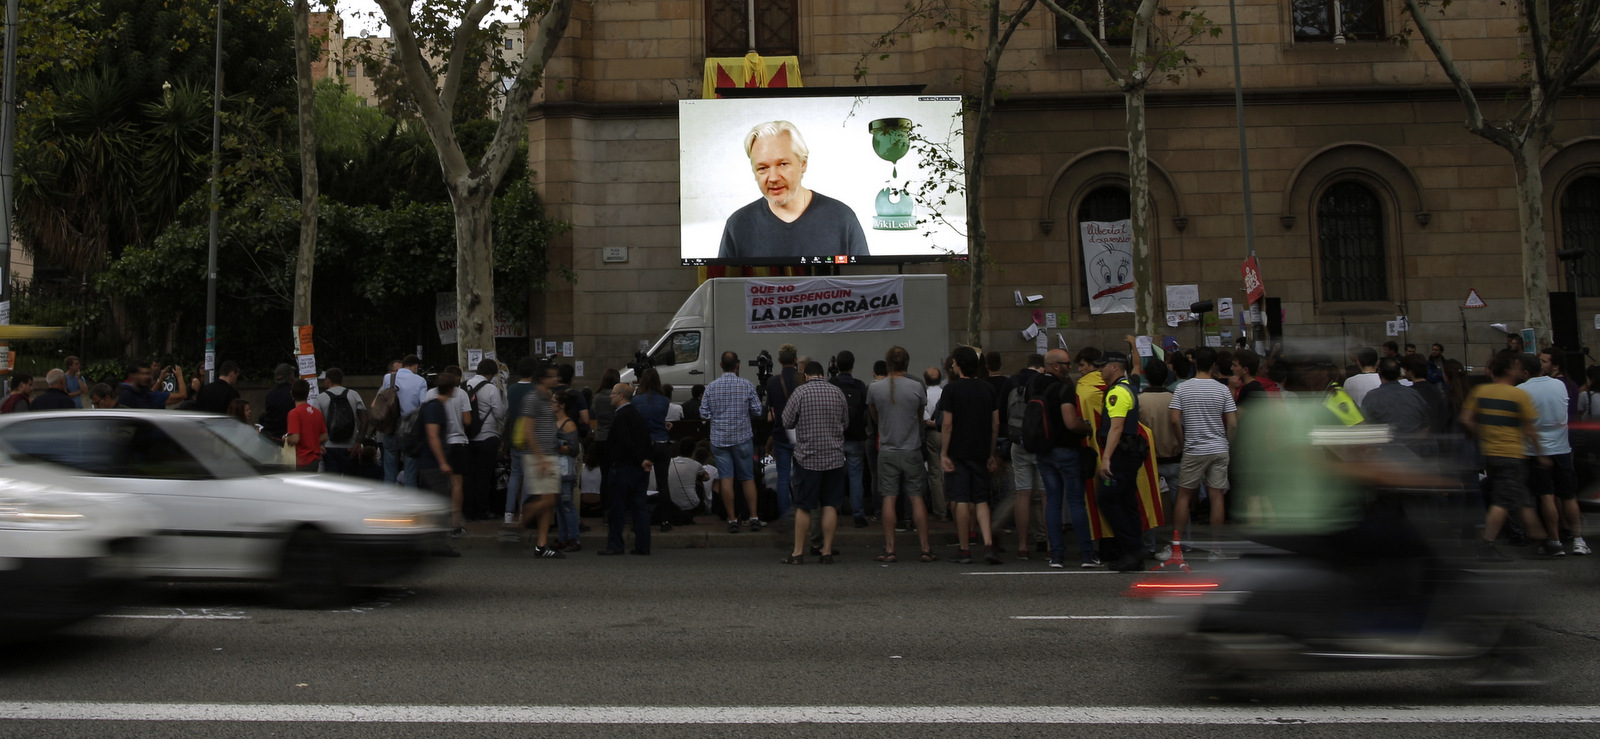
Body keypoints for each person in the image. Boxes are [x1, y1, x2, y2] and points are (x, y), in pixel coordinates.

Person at [717, 120, 869, 260]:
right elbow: (724, 287)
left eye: (782, 164)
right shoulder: (738, 225)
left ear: (803, 164)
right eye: (762, 168)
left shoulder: (842, 218)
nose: (773, 178)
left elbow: (867, 283)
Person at [1460, 352, 1552, 561]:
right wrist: (1541, 454)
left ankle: (1543, 540)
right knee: (1503, 500)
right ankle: (1487, 543)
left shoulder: (1481, 391)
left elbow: (1466, 419)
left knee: (1521, 498)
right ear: (1509, 370)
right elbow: (1530, 429)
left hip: (1491, 454)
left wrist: (1482, 433)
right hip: (1512, 454)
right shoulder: (1518, 395)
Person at [1168, 346, 1237, 556]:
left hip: (1194, 448)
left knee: (1183, 497)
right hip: (1218, 448)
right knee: (1217, 496)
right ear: (1214, 365)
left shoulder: (1182, 389)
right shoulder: (1222, 389)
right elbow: (1233, 423)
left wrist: (1182, 441)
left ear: (1194, 363)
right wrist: (1227, 443)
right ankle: (1216, 549)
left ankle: (1177, 548)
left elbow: (1174, 419)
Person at [868, 346, 935, 562]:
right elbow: (918, 417)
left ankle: (889, 549)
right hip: (912, 449)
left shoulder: (875, 388)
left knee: (888, 497)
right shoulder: (917, 387)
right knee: (917, 498)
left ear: (887, 364)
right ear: (906, 363)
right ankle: (925, 548)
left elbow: (875, 417)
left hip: (887, 449)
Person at [1519, 354, 1588, 557]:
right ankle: (1578, 540)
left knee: (1546, 496)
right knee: (1568, 496)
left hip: (1536, 451)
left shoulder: (1521, 390)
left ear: (1525, 372)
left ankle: (1555, 540)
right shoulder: (1560, 385)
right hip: (1562, 447)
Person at [781, 361, 849, 564]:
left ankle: (798, 553)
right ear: (822, 374)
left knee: (803, 506)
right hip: (834, 457)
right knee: (830, 504)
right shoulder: (837, 392)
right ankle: (826, 551)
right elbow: (845, 423)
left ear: (806, 374)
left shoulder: (800, 393)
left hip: (808, 458)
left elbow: (786, 421)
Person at [941, 346, 1003, 565]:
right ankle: (988, 544)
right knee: (981, 499)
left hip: (958, 449)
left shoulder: (951, 390)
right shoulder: (987, 389)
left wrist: (944, 452)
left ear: (959, 365)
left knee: (960, 498)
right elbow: (995, 423)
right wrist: (991, 452)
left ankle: (965, 548)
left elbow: (947, 424)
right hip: (981, 449)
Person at [1035, 349, 1094, 568]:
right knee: (1076, 501)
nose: (1071, 367)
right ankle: (1087, 554)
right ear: (1056, 366)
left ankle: (1056, 555)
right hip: (1066, 450)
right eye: (1067, 364)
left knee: (1053, 502)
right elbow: (1071, 423)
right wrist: (1086, 427)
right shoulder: (1064, 389)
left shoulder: (1034, 385)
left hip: (1043, 449)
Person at [1095, 352, 1150, 572]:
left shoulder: (1117, 392)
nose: (1099, 371)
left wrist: (1106, 458)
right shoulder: (1129, 385)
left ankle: (1131, 550)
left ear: (1115, 367)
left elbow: (1116, 427)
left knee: (1107, 499)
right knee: (1127, 502)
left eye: (1102, 366)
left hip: (1120, 456)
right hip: (1129, 454)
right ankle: (1134, 552)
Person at [701, 351, 764, 533]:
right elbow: (758, 410)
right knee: (747, 478)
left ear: (721, 365)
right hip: (742, 437)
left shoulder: (711, 387)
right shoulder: (746, 385)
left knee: (726, 478)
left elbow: (704, 413)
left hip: (720, 439)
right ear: (737, 365)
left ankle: (732, 519)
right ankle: (754, 517)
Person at [1000, 353, 1047, 559]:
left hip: (1018, 443)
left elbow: (1002, 414)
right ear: (1042, 367)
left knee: (1023, 495)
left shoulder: (1012, 382)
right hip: (1042, 444)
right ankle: (1050, 546)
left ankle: (1022, 547)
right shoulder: (1044, 382)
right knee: (1046, 496)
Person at [517, 362, 566, 558]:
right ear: (543, 378)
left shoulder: (547, 398)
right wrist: (540, 458)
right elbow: (528, 430)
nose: (556, 379)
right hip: (538, 455)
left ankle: (542, 544)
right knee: (549, 498)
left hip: (549, 453)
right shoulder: (533, 398)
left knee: (549, 499)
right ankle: (522, 520)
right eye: (552, 376)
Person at [600, 383, 655, 556]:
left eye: (613, 393)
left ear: (621, 396)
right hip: (638, 469)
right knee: (639, 507)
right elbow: (645, 439)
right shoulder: (636, 415)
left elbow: (624, 441)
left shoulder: (621, 417)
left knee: (617, 508)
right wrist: (645, 460)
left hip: (623, 467)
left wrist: (638, 459)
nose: (610, 396)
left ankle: (616, 544)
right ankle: (643, 544)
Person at [413, 373, 461, 557]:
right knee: (440, 503)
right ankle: (435, 544)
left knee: (433, 503)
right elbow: (433, 436)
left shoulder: (434, 406)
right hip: (431, 463)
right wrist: (442, 462)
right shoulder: (435, 408)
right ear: (450, 389)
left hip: (428, 462)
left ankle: (429, 543)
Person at [829, 350, 871, 528]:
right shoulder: (860, 385)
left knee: (835, 475)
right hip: (856, 435)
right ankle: (858, 514)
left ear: (837, 365)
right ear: (852, 365)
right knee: (856, 475)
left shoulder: (831, 384)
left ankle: (834, 511)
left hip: (835, 436)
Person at [463, 359, 507, 521]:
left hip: (467, 438)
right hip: (487, 437)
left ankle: (468, 510)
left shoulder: (464, 386)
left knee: (469, 475)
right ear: (492, 373)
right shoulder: (491, 389)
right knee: (483, 476)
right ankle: (482, 510)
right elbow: (500, 414)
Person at [378, 355, 428, 487]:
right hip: (410, 430)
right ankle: (409, 505)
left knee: (389, 470)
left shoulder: (388, 378)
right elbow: (423, 405)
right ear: (415, 366)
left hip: (390, 427)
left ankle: (389, 501)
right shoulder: (420, 381)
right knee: (410, 472)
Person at [766, 344, 801, 519]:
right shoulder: (802, 379)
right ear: (795, 359)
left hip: (780, 433)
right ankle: (803, 511)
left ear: (779, 360)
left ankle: (785, 513)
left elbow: (771, 409)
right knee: (802, 475)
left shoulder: (772, 382)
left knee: (783, 476)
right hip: (801, 435)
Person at [307, 368, 364, 475]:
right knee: (351, 483)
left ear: (328, 380)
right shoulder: (354, 395)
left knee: (333, 483)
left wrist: (318, 444)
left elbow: (314, 423)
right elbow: (365, 419)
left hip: (329, 447)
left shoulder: (320, 398)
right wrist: (358, 442)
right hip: (350, 447)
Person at [632, 368, 674, 510]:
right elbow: (659, 417)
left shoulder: (636, 400)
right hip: (662, 442)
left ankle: (640, 517)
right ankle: (665, 519)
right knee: (663, 482)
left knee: (642, 482)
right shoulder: (664, 400)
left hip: (645, 444)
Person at [503, 358, 539, 525]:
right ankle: (524, 513)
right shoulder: (537, 390)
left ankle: (509, 513)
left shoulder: (511, 389)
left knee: (515, 475)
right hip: (531, 438)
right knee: (528, 477)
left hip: (515, 437)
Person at [1360, 358, 1430, 439]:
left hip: (1385, 448)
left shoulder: (1372, 397)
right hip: (1413, 447)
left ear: (1379, 373)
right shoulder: (1414, 394)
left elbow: (1365, 427)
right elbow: (1425, 426)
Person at [553, 388, 584, 551]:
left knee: (566, 504)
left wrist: (556, 446)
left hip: (565, 469)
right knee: (559, 505)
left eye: (553, 402)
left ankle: (574, 538)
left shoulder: (569, 424)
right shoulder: (555, 423)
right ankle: (563, 537)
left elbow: (573, 449)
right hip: (556, 469)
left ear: (561, 405)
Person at [920, 366, 948, 522]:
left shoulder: (926, 394)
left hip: (932, 434)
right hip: (947, 432)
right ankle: (952, 504)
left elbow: (925, 419)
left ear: (925, 380)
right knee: (948, 469)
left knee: (935, 472)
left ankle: (940, 509)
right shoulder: (945, 393)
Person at [283, 380, 327, 473]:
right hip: (315, 459)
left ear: (292, 394)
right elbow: (324, 436)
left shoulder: (294, 413)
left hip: (301, 460)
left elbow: (295, 439)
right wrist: (311, 439)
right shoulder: (317, 412)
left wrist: (286, 438)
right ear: (307, 394)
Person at [117, 360, 187, 410]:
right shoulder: (125, 394)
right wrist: (179, 376)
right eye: (143, 374)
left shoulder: (145, 394)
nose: (146, 377)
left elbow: (150, 393)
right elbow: (182, 395)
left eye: (148, 374)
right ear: (132, 375)